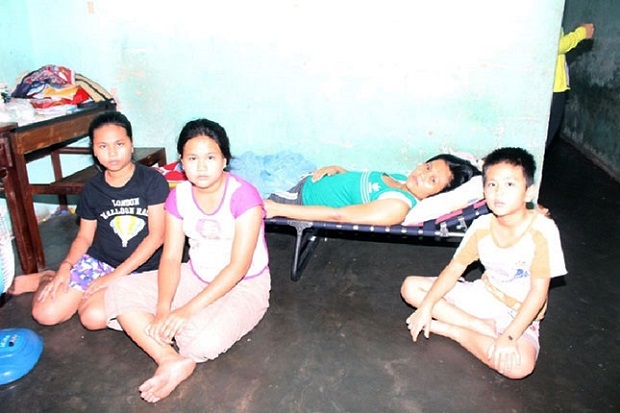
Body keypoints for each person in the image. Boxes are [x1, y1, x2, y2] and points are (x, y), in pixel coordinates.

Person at [104, 118, 271, 403]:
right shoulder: (178, 196)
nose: (202, 166)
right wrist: (163, 307)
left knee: (198, 342)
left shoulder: (244, 197)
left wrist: (185, 311)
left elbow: (238, 267)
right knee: (119, 290)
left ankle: (178, 347)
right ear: (181, 162)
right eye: (193, 158)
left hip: (244, 286)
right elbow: (170, 256)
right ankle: (169, 359)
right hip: (195, 275)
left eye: (210, 157)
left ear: (224, 161)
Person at [401, 147, 566, 379]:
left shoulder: (543, 231)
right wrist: (427, 305)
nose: (499, 193)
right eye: (492, 184)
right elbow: (454, 270)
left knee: (519, 367)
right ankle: (479, 328)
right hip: (483, 296)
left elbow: (538, 293)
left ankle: (454, 331)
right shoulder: (481, 227)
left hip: (519, 313)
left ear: (528, 193)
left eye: (510, 185)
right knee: (411, 288)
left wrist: (509, 337)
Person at [24, 111, 169, 330]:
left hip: (140, 269)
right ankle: (47, 277)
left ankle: (83, 297)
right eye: (103, 146)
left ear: (131, 144)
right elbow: (84, 236)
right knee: (45, 313)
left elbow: (157, 236)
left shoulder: (152, 181)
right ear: (94, 149)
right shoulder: (92, 188)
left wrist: (114, 277)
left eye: (119, 143)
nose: (112, 153)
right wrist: (65, 267)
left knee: (94, 317)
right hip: (100, 262)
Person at [265, 154, 480, 226]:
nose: (422, 174)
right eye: (427, 166)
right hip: (307, 178)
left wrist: (278, 208)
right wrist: (340, 171)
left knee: (236, 201)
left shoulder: (396, 206)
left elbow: (338, 215)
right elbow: (358, 188)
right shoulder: (402, 181)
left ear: (438, 195)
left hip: (298, 199)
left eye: (432, 180)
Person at [546, 22, 595, 147]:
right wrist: (581, 33)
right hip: (552, 89)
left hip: (552, 87)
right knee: (543, 141)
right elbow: (554, 46)